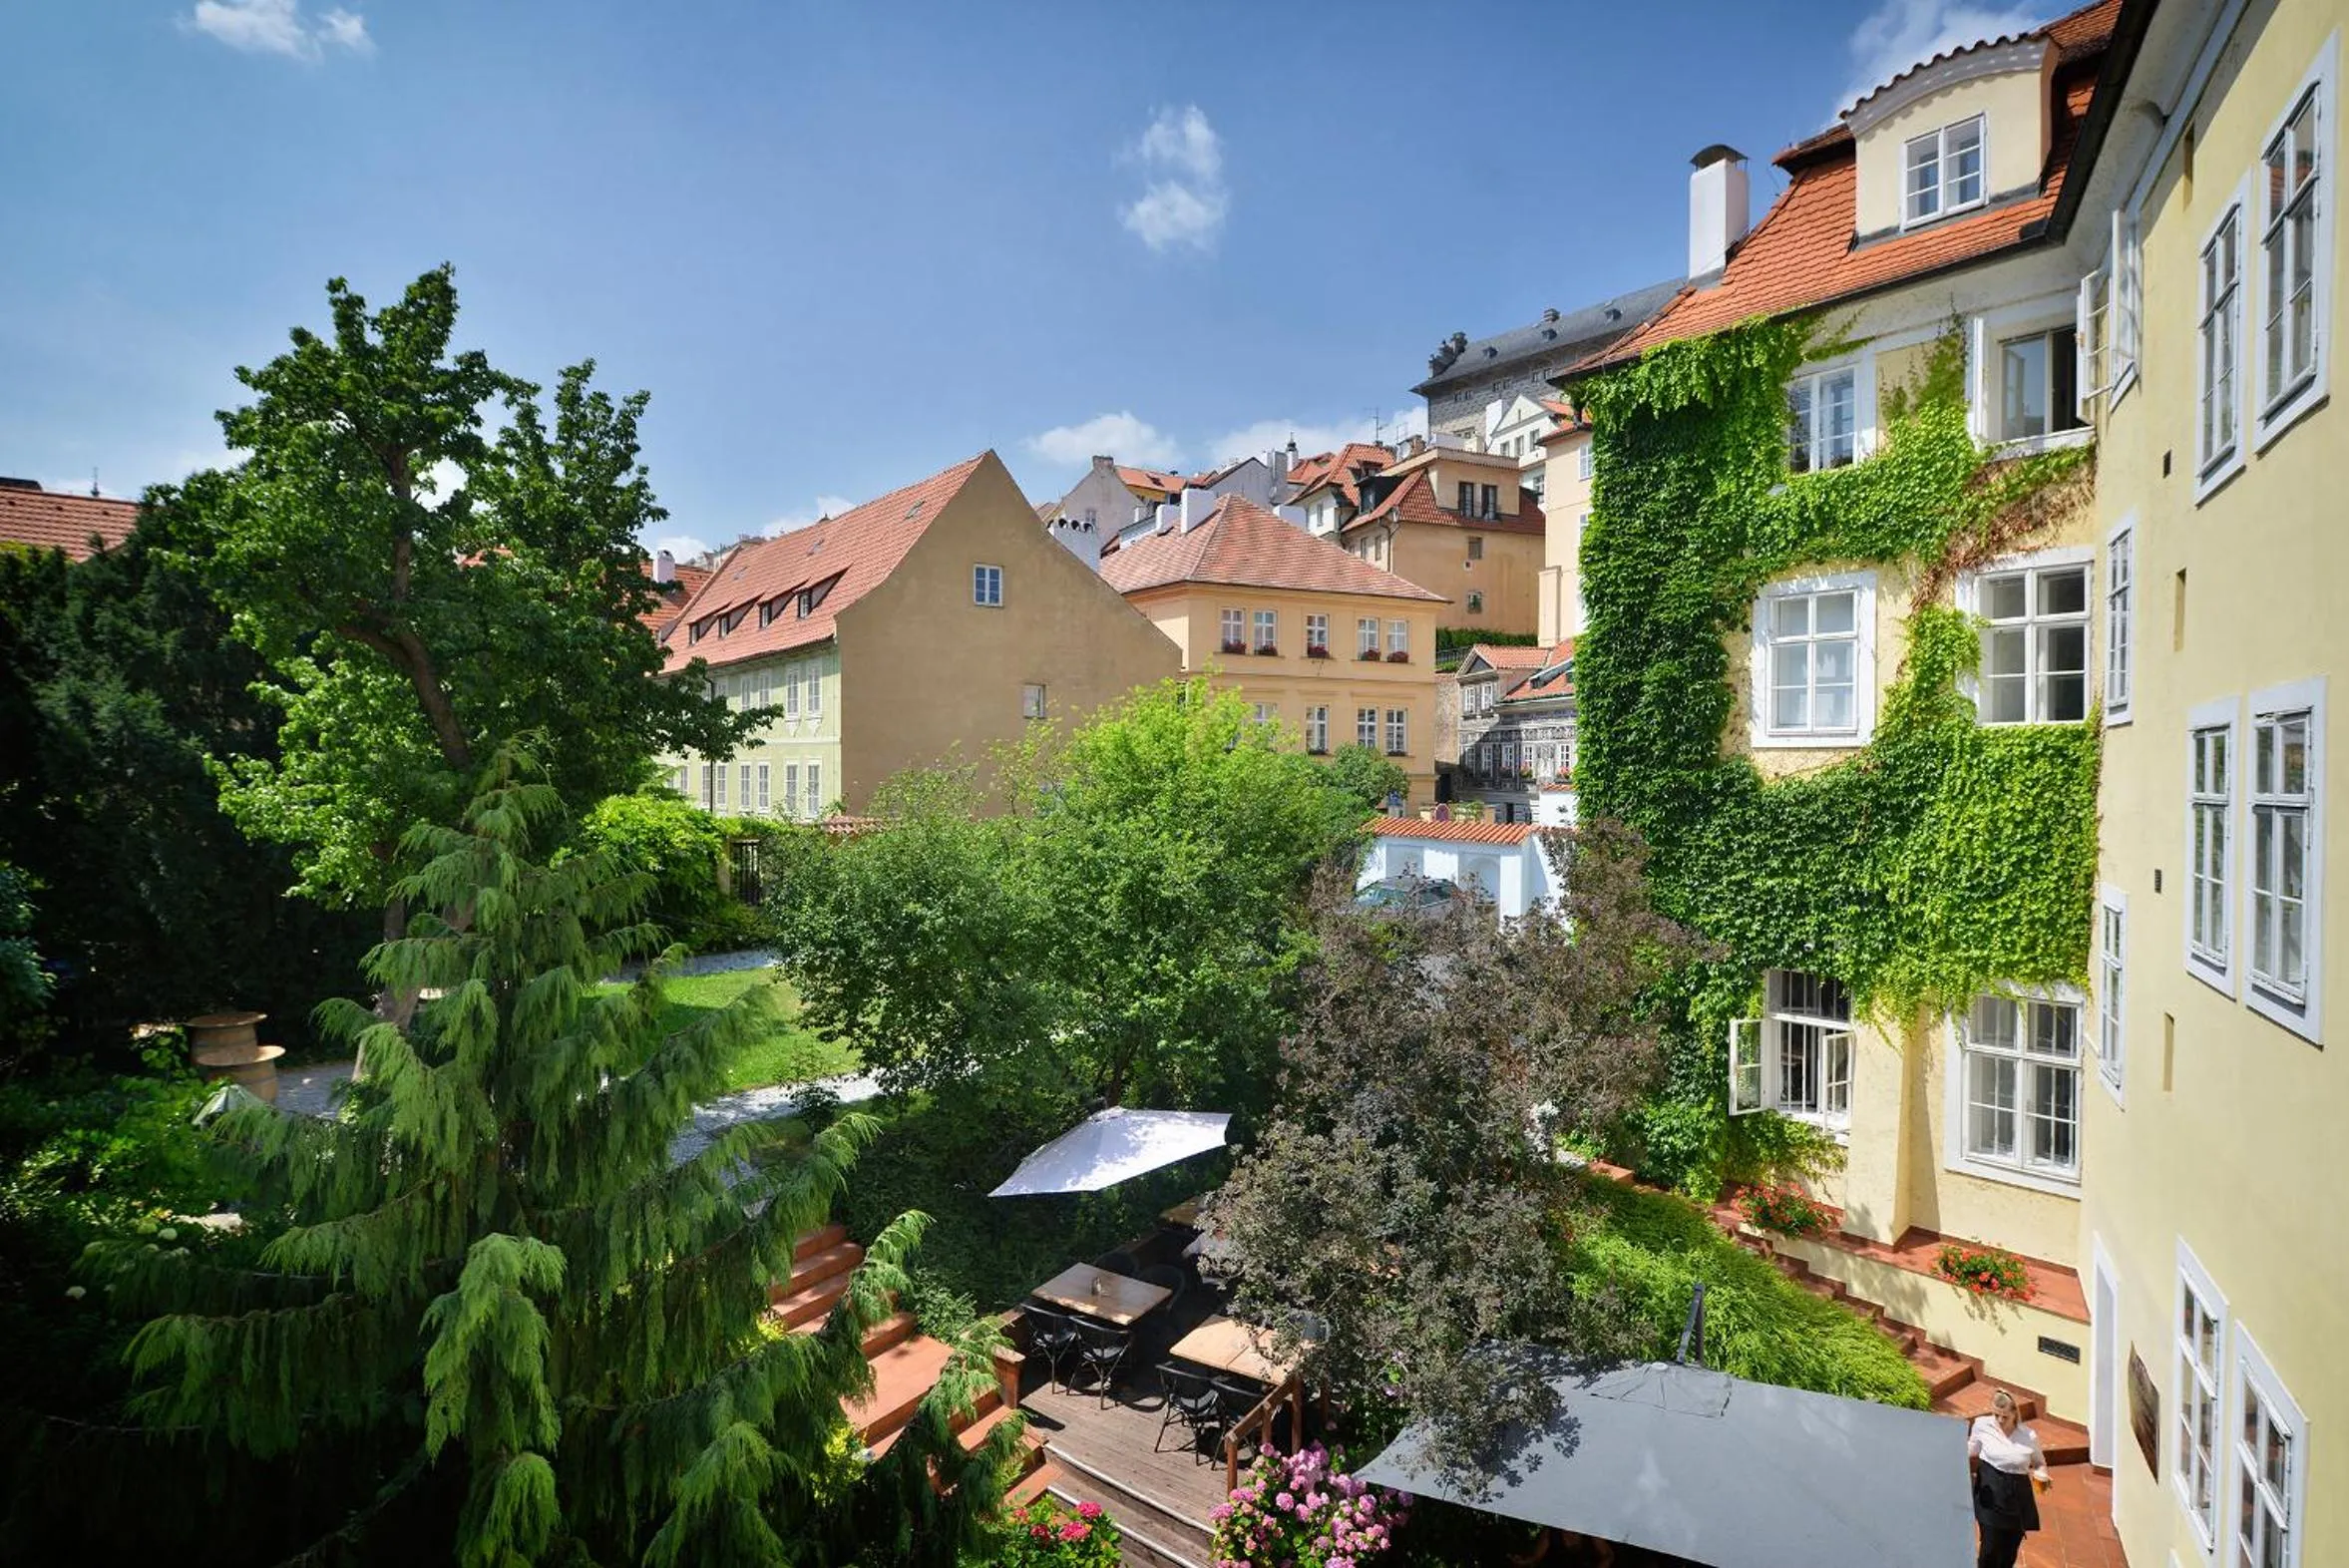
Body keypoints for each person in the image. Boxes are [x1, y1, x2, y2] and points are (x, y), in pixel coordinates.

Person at [1967, 1388, 2050, 1568]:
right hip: (1990, 1488)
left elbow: (2039, 1462)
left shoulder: (2028, 1436)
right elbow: (1971, 1450)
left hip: (2018, 1495)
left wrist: (2041, 1474)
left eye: (2005, 1416)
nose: (2000, 1420)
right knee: (1989, 1548)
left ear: (2015, 1413)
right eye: (1996, 1415)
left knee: (2009, 1549)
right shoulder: (1981, 1425)